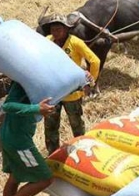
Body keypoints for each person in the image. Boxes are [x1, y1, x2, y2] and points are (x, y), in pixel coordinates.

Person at [0, 81, 55, 196]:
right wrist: (36, 108)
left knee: (15, 175)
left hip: (13, 136)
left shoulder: (39, 81)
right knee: (45, 179)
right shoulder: (25, 82)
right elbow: (7, 106)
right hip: (19, 143)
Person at [39, 14, 101, 155]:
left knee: (76, 124)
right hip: (53, 92)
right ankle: (53, 154)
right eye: (53, 29)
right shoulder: (47, 41)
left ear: (67, 29)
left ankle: (82, 151)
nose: (56, 32)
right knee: (50, 126)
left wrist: (90, 81)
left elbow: (95, 61)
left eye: (59, 29)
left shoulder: (76, 43)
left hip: (72, 93)